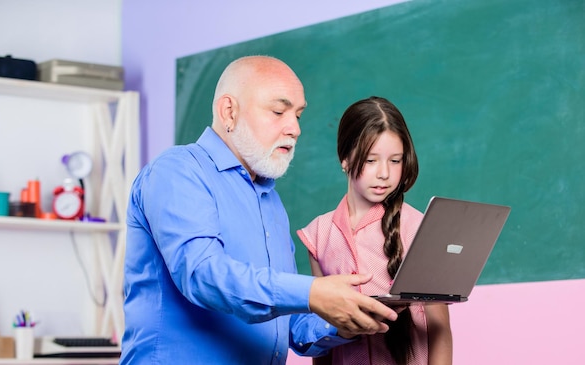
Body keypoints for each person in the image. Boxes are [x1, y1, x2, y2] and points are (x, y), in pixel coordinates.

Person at [119, 56, 400, 365]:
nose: (294, 129)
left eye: (298, 115)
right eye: (278, 111)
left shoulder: (270, 201)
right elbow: (202, 274)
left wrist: (346, 323)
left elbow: (290, 324)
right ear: (229, 111)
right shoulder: (176, 171)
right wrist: (312, 293)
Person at [297, 96, 453, 365]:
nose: (384, 173)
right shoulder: (317, 235)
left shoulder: (418, 227)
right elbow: (321, 338)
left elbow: (440, 328)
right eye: (371, 160)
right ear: (345, 159)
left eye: (395, 161)